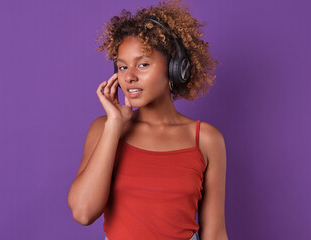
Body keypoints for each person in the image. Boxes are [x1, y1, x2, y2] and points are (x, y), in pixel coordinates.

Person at [67, 0, 228, 239]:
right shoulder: (104, 128)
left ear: (174, 68)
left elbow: (214, 233)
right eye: (122, 67)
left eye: (143, 64)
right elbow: (83, 212)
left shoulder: (206, 139)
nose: (129, 77)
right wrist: (114, 125)